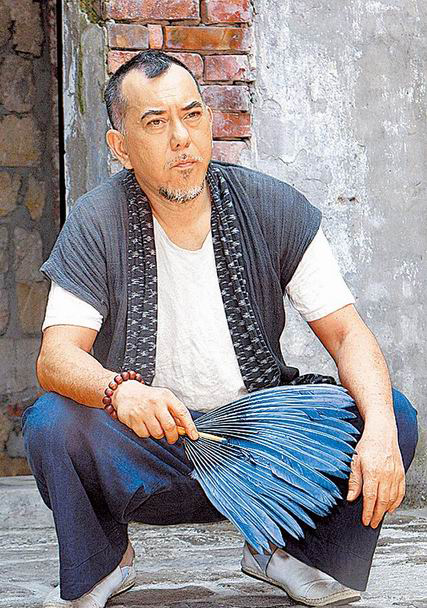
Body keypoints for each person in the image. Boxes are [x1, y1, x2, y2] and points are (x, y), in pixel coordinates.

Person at [21, 50, 418, 608]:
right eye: (155, 122)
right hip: (149, 447)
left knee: (390, 414)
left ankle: (288, 551)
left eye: (192, 114)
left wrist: (378, 431)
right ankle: (106, 562)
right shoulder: (97, 220)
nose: (181, 138)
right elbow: (56, 356)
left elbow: (347, 334)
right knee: (52, 423)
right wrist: (120, 390)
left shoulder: (272, 206)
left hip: (263, 443)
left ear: (209, 120)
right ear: (121, 146)